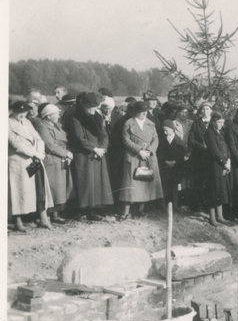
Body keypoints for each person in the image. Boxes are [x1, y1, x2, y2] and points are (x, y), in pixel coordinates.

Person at [9, 101, 55, 231]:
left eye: (24, 112)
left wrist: (40, 152)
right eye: (19, 112)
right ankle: (18, 221)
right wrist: (34, 153)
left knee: (40, 188)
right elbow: (15, 143)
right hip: (20, 162)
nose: (22, 114)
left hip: (34, 160)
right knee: (18, 191)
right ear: (12, 111)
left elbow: (38, 138)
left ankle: (43, 218)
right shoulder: (7, 123)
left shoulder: (27, 123)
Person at [68, 92, 114, 221]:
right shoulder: (76, 118)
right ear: (87, 106)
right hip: (85, 155)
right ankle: (82, 210)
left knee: (96, 183)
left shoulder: (97, 116)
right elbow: (79, 138)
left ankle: (93, 210)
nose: (96, 109)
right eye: (94, 106)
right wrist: (94, 149)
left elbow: (104, 135)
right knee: (85, 183)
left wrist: (102, 148)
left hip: (98, 153)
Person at [119, 101, 164, 220]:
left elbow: (156, 140)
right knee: (130, 184)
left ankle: (140, 210)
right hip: (134, 156)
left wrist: (149, 151)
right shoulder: (128, 124)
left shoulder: (151, 124)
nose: (144, 113)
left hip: (148, 157)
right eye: (141, 112)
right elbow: (126, 140)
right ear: (136, 112)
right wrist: (139, 151)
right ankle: (125, 212)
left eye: (145, 111)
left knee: (145, 183)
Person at [34, 103, 74, 224]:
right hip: (52, 160)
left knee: (60, 189)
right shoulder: (42, 126)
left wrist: (66, 154)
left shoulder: (56, 125)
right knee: (53, 189)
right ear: (48, 116)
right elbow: (50, 145)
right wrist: (66, 153)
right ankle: (50, 215)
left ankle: (56, 214)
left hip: (60, 159)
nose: (58, 115)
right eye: (55, 114)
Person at [204, 112, 232, 226]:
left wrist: (229, 159)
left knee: (220, 190)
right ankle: (212, 217)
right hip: (213, 166)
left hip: (222, 165)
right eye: (219, 122)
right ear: (213, 122)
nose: (221, 124)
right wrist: (224, 163)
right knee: (213, 191)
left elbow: (226, 147)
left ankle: (220, 216)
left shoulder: (220, 132)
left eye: (223, 122)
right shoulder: (209, 133)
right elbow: (214, 151)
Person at [157, 120, 186, 213]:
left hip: (175, 167)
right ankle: (162, 206)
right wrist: (165, 161)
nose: (165, 132)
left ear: (172, 129)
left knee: (174, 187)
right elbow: (159, 153)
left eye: (166, 130)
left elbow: (181, 153)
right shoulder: (161, 140)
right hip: (165, 166)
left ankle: (175, 206)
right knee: (164, 186)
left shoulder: (178, 140)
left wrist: (175, 161)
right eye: (163, 130)